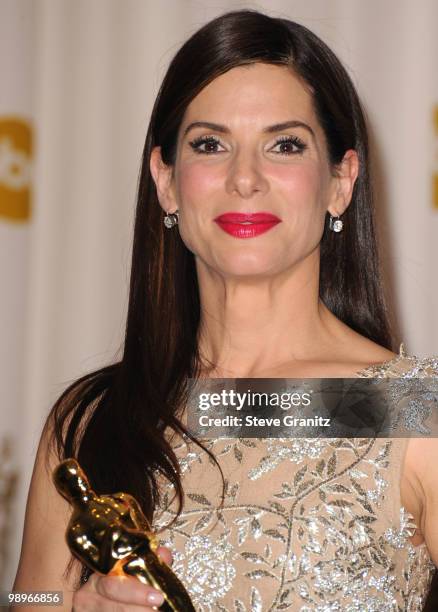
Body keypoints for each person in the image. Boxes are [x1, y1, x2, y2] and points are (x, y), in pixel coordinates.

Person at [13, 9, 438, 611]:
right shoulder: (91, 420)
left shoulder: (413, 409)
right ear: (166, 180)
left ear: (341, 181)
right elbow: (32, 595)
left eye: (285, 145)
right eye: (210, 145)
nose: (245, 178)